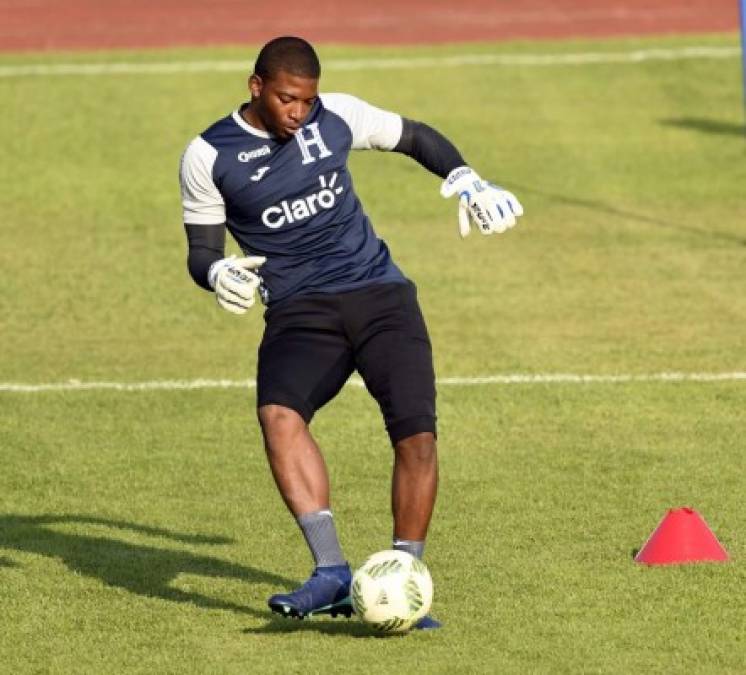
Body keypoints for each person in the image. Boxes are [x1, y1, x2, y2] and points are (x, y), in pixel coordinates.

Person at [179, 36, 523, 630]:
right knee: (278, 415)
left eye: (307, 101)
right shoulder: (209, 155)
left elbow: (413, 135)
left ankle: (406, 577)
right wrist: (214, 272)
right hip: (299, 309)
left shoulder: (335, 115)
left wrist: (467, 177)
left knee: (417, 435)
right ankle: (332, 573)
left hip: (379, 293)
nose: (299, 113)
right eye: (288, 100)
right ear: (256, 86)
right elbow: (201, 249)